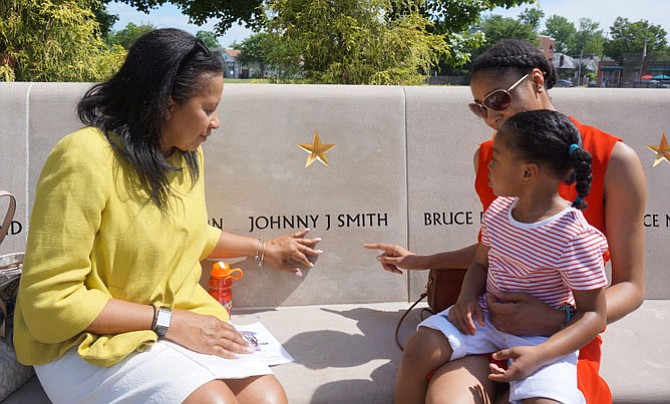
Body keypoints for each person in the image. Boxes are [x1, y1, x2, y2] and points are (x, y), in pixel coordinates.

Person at [14, 28, 321, 404]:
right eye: (207, 109)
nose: (216, 122)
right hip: (84, 341)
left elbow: (188, 235)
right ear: (166, 103)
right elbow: (50, 303)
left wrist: (264, 248)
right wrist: (167, 322)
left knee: (270, 398)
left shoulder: (186, 156)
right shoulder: (83, 157)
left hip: (175, 321)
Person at [365, 39, 646, 403]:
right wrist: (419, 261)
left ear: (537, 80)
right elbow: (504, 247)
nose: (491, 116)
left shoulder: (614, 158)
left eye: (498, 99)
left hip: (561, 332)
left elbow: (632, 286)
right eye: (479, 107)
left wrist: (559, 318)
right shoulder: (490, 158)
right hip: (485, 320)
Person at [397, 109, 609, 404]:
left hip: (542, 338)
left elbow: (595, 314)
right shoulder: (499, 211)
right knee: (419, 347)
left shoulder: (574, 237)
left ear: (527, 173)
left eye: (495, 159)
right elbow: (480, 263)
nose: (488, 166)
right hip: (485, 317)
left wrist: (539, 355)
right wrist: (467, 299)